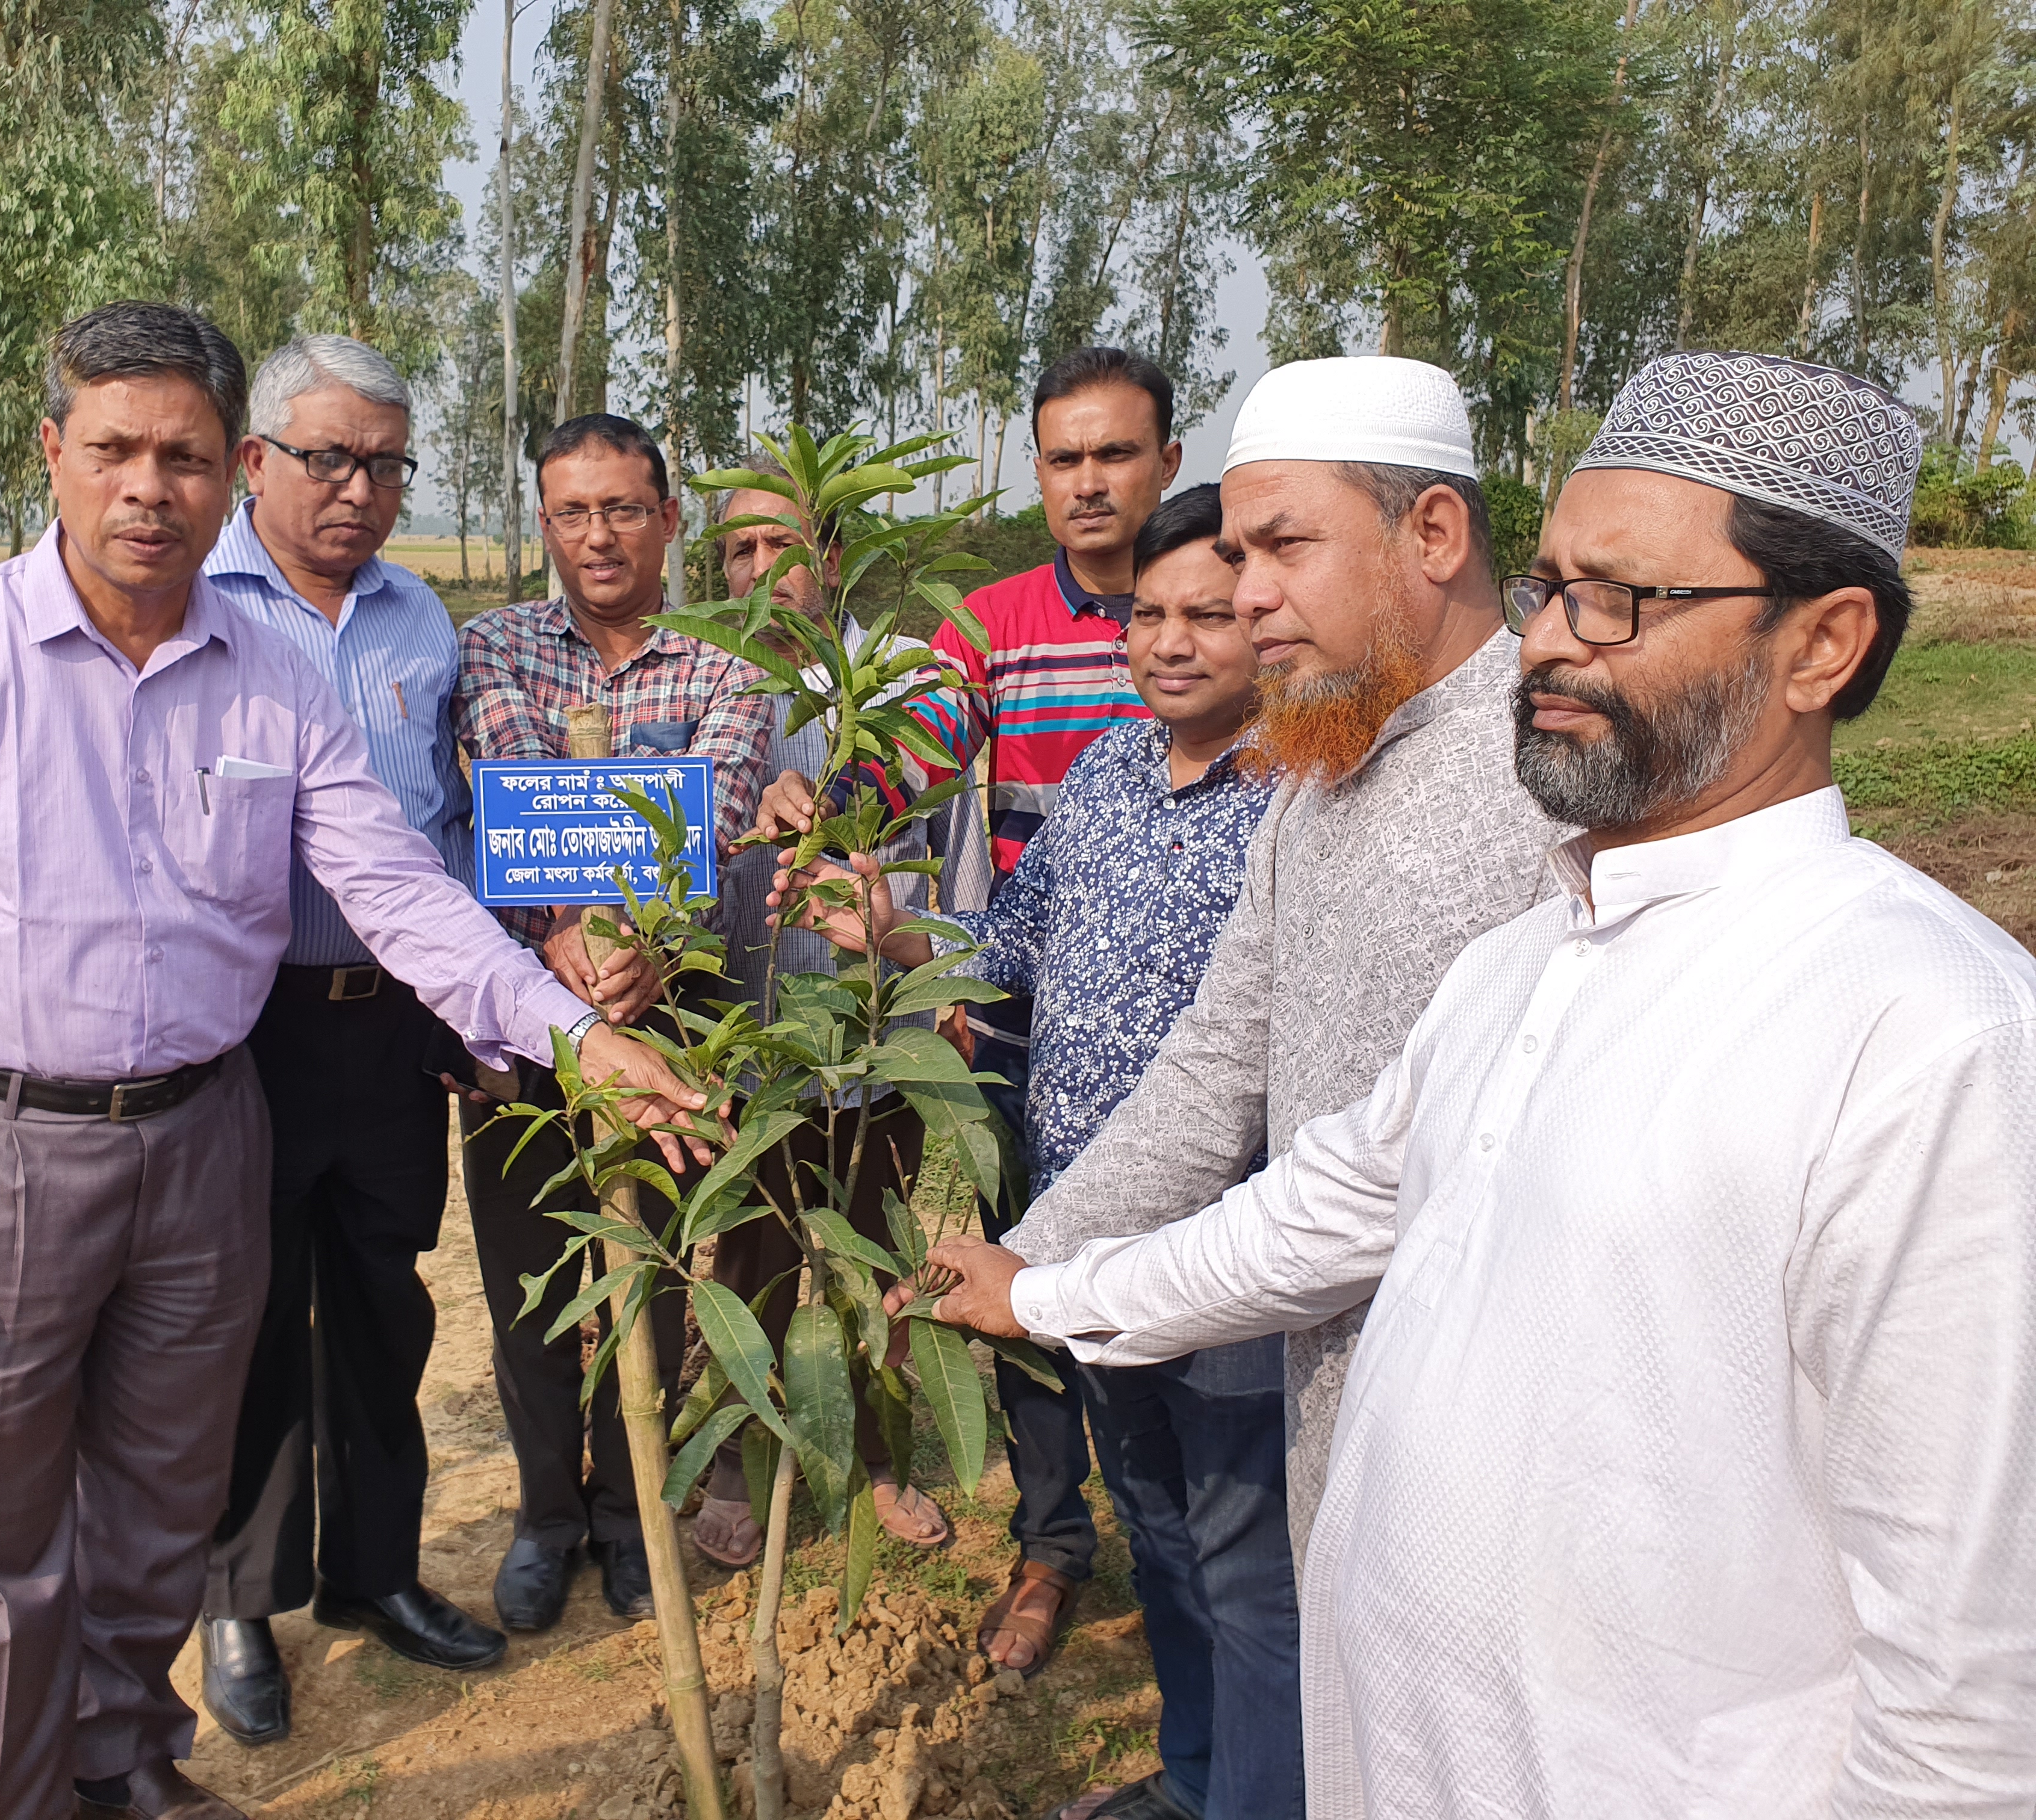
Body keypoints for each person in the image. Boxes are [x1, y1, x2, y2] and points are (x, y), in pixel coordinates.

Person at [903, 350, 2036, 1818]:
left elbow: (1968, 1711)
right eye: (1555, 588)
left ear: (1822, 646)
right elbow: (1316, 1196)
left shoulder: (1934, 1039)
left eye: (1620, 599)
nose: (1554, 643)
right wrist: (1041, 1284)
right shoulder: (1533, 948)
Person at [0, 303, 711, 1820]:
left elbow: (403, 887)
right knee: (6, 1551)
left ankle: (130, 1766)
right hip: (3, 1150)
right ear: (55, 456)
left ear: (226, 475)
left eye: (184, 457)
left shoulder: (275, 682)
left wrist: (576, 1035)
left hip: (212, 1132)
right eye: (116, 451)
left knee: (163, 1508)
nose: (149, 487)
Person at [994, 356, 1563, 1588]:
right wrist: (1034, 1250)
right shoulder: (1320, 770)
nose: (1247, 599)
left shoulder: (1554, 778)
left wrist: (1059, 1290)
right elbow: (1216, 1064)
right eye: (1236, 558)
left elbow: (1386, 1190)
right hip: (1328, 1381)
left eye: (1281, 548)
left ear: (1435, 532)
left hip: (1496, 1427)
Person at [780, 484, 1295, 1820]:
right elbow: (1006, 957)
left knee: (1250, 1564)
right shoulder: (1112, 771)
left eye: (1211, 615)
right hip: (1085, 1233)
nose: (1171, 642)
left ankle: (1262, 1793)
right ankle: (1195, 1781)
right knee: (1163, 1536)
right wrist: (891, 931)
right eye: (1149, 615)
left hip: (1232, 1244)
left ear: (1267, 622)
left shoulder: (1306, 795)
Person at [761, 346, 1186, 1678]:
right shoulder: (991, 624)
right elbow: (906, 761)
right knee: (1026, 1289)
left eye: (1117, 455)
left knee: (1200, 1306)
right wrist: (824, 806)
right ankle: (1056, 1545)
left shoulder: (1221, 599)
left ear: (1169, 462)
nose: (1091, 484)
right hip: (1021, 1020)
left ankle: (1207, 1554)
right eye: (1065, 460)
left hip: (1198, 1032)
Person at [191, 334, 498, 1753]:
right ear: (257, 462)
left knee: (386, 1305)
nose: (357, 490)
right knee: (248, 1319)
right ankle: (240, 1602)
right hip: (240, 1031)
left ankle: (375, 1573)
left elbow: (440, 824)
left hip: (385, 1032)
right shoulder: (193, 603)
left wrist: (459, 998)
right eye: (329, 458)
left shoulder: (421, 622)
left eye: (386, 464)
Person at [453, 412, 772, 1632]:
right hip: (530, 1018)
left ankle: (635, 1509)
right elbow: (512, 794)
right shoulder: (494, 648)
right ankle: (546, 1515)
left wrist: (648, 946)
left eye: (624, 509)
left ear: (668, 519)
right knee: (533, 1283)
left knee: (652, 1280)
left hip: (671, 1015)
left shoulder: (726, 661)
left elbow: (721, 804)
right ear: (546, 523)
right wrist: (564, 950)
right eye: (573, 512)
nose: (599, 535)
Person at [691, 464, 952, 1568]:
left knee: (883, 1270)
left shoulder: (905, 681)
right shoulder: (706, 686)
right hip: (751, 1047)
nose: (761, 575)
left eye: (783, 550)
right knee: (746, 1269)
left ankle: (881, 1454)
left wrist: (936, 999)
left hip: (873, 1048)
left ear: (832, 560)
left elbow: (950, 853)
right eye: (737, 556)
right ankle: (741, 1458)